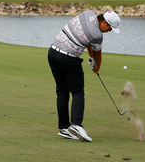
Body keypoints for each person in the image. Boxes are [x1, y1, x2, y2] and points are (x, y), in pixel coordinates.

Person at [48, 10, 121, 142]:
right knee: (78, 92)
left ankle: (64, 128)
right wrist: (97, 66)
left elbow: (88, 42)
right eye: (110, 27)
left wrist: (90, 57)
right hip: (68, 58)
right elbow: (97, 54)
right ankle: (76, 125)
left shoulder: (88, 14)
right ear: (104, 22)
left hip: (53, 53)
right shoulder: (97, 35)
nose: (110, 31)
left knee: (62, 91)